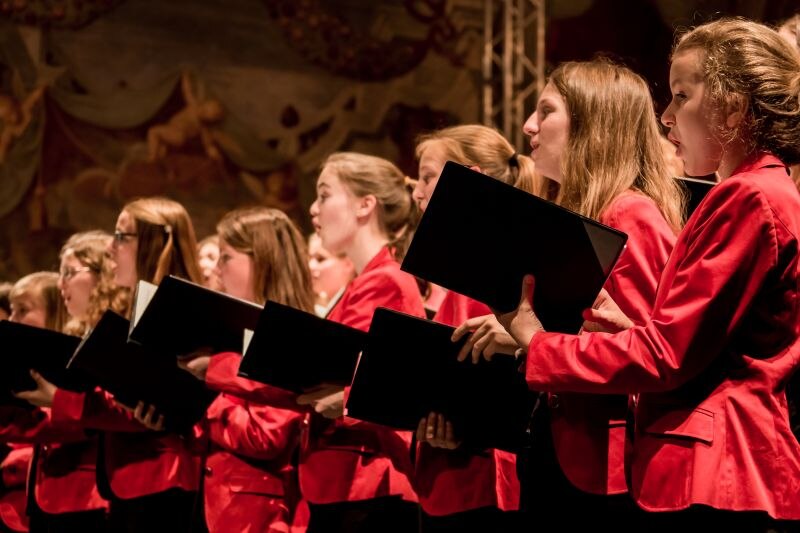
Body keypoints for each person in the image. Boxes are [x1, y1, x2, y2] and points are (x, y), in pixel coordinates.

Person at [465, 18, 800, 530]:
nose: (666, 116)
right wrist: (633, 330)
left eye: (682, 96)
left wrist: (533, 338)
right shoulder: (758, 190)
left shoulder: (749, 194)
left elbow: (667, 356)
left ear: (732, 106)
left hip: (718, 466)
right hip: (718, 461)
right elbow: (695, 342)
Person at [449, 60, 685, 530]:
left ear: (592, 123)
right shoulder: (586, 211)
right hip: (564, 446)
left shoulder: (629, 213)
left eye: (546, 110)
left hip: (604, 465)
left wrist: (527, 338)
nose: (528, 126)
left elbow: (644, 355)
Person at [33, 198, 205, 533]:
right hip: (136, 480)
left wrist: (60, 399)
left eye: (122, 237)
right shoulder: (141, 306)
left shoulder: (177, 309)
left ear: (152, 242)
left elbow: (168, 398)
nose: (110, 248)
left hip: (164, 479)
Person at [410, 124, 538, 532]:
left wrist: (465, 428)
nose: (416, 193)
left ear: (471, 177)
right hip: (451, 479)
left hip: (484, 487)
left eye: (428, 177)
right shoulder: (457, 264)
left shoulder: (498, 264)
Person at [300, 152, 425, 533]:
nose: (312, 209)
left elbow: (380, 383)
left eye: (324, 195)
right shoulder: (366, 279)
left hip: (367, 482)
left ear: (364, 205)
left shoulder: (385, 280)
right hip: (349, 484)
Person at [181, 207, 311, 533]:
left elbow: (264, 436)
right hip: (218, 505)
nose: (216, 268)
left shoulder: (289, 333)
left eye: (225, 257)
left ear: (262, 260)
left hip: (259, 516)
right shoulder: (234, 328)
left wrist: (202, 402)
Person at [8, 232, 127, 532]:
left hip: (89, 493)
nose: (61, 284)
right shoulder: (81, 334)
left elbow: (109, 410)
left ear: (102, 274)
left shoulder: (116, 335)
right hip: (53, 492)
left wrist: (57, 401)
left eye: (69, 273)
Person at [307, 232, 354, 317]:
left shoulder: (354, 308)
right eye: (310, 258)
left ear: (348, 264)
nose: (310, 266)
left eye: (320, 259)